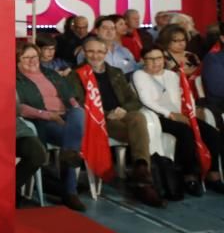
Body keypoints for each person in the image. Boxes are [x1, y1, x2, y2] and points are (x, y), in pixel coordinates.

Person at [69, 37, 163, 207]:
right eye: (91, 51)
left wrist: (123, 110)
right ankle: (143, 178)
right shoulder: (76, 74)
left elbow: (134, 100)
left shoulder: (116, 72)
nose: (95, 55)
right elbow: (79, 103)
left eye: (99, 51)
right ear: (84, 52)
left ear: (105, 53)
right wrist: (106, 113)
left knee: (138, 116)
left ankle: (141, 171)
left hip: (120, 116)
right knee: (139, 133)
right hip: (96, 119)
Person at [133, 46, 224, 196]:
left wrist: (190, 114)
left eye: (159, 58)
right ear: (143, 61)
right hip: (158, 116)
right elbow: (147, 100)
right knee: (186, 132)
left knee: (212, 134)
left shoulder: (172, 75)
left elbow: (185, 97)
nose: (156, 62)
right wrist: (170, 114)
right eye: (151, 59)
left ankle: (213, 175)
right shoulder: (139, 75)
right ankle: (189, 175)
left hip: (180, 114)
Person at [15, 43, 86, 211]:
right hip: (44, 121)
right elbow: (20, 108)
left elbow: (70, 97)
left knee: (78, 113)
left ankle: (68, 156)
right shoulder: (15, 80)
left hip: (66, 118)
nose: (32, 61)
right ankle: (70, 191)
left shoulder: (51, 74)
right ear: (17, 60)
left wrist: (75, 107)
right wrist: (48, 115)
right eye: (26, 57)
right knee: (73, 140)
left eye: (35, 57)